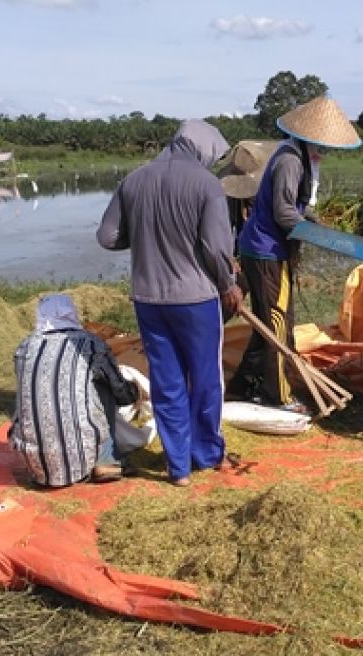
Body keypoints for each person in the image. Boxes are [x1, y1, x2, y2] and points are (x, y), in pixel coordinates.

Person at [96, 119, 243, 487]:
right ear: (204, 147)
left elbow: (107, 236)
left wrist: (143, 236)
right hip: (196, 300)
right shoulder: (206, 184)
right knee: (206, 378)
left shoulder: (134, 180)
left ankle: (177, 467)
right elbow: (214, 248)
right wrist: (229, 283)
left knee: (167, 380)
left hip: (149, 300)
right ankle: (205, 454)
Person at [230, 96, 362, 413]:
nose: (325, 152)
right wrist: (318, 235)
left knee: (266, 320)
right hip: (266, 251)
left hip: (268, 249)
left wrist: (318, 221)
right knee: (277, 324)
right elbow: (284, 211)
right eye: (324, 145)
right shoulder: (290, 160)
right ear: (309, 138)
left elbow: (299, 208)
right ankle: (279, 397)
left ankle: (245, 385)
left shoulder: (300, 157)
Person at [9, 293, 141, 487]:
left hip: (34, 463)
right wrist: (134, 391)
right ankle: (105, 460)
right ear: (72, 313)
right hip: (81, 451)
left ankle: (50, 463)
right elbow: (121, 393)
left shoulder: (25, 347)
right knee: (103, 384)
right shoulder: (90, 344)